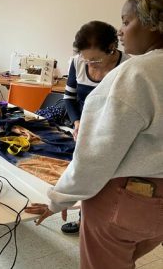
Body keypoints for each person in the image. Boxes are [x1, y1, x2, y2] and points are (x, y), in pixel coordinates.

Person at [25, 0, 163, 269]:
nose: (122, 31)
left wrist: (58, 200)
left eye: (126, 21)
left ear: (152, 22)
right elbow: (69, 100)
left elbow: (96, 156)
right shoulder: (84, 66)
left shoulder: (135, 74)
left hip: (124, 201)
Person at [61, 21, 130, 234]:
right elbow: (69, 99)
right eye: (86, 58)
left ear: (112, 49)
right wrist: (77, 122)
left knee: (107, 183)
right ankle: (84, 220)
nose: (90, 64)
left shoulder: (127, 66)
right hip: (84, 130)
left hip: (113, 132)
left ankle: (101, 225)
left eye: (96, 59)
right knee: (84, 175)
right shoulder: (77, 62)